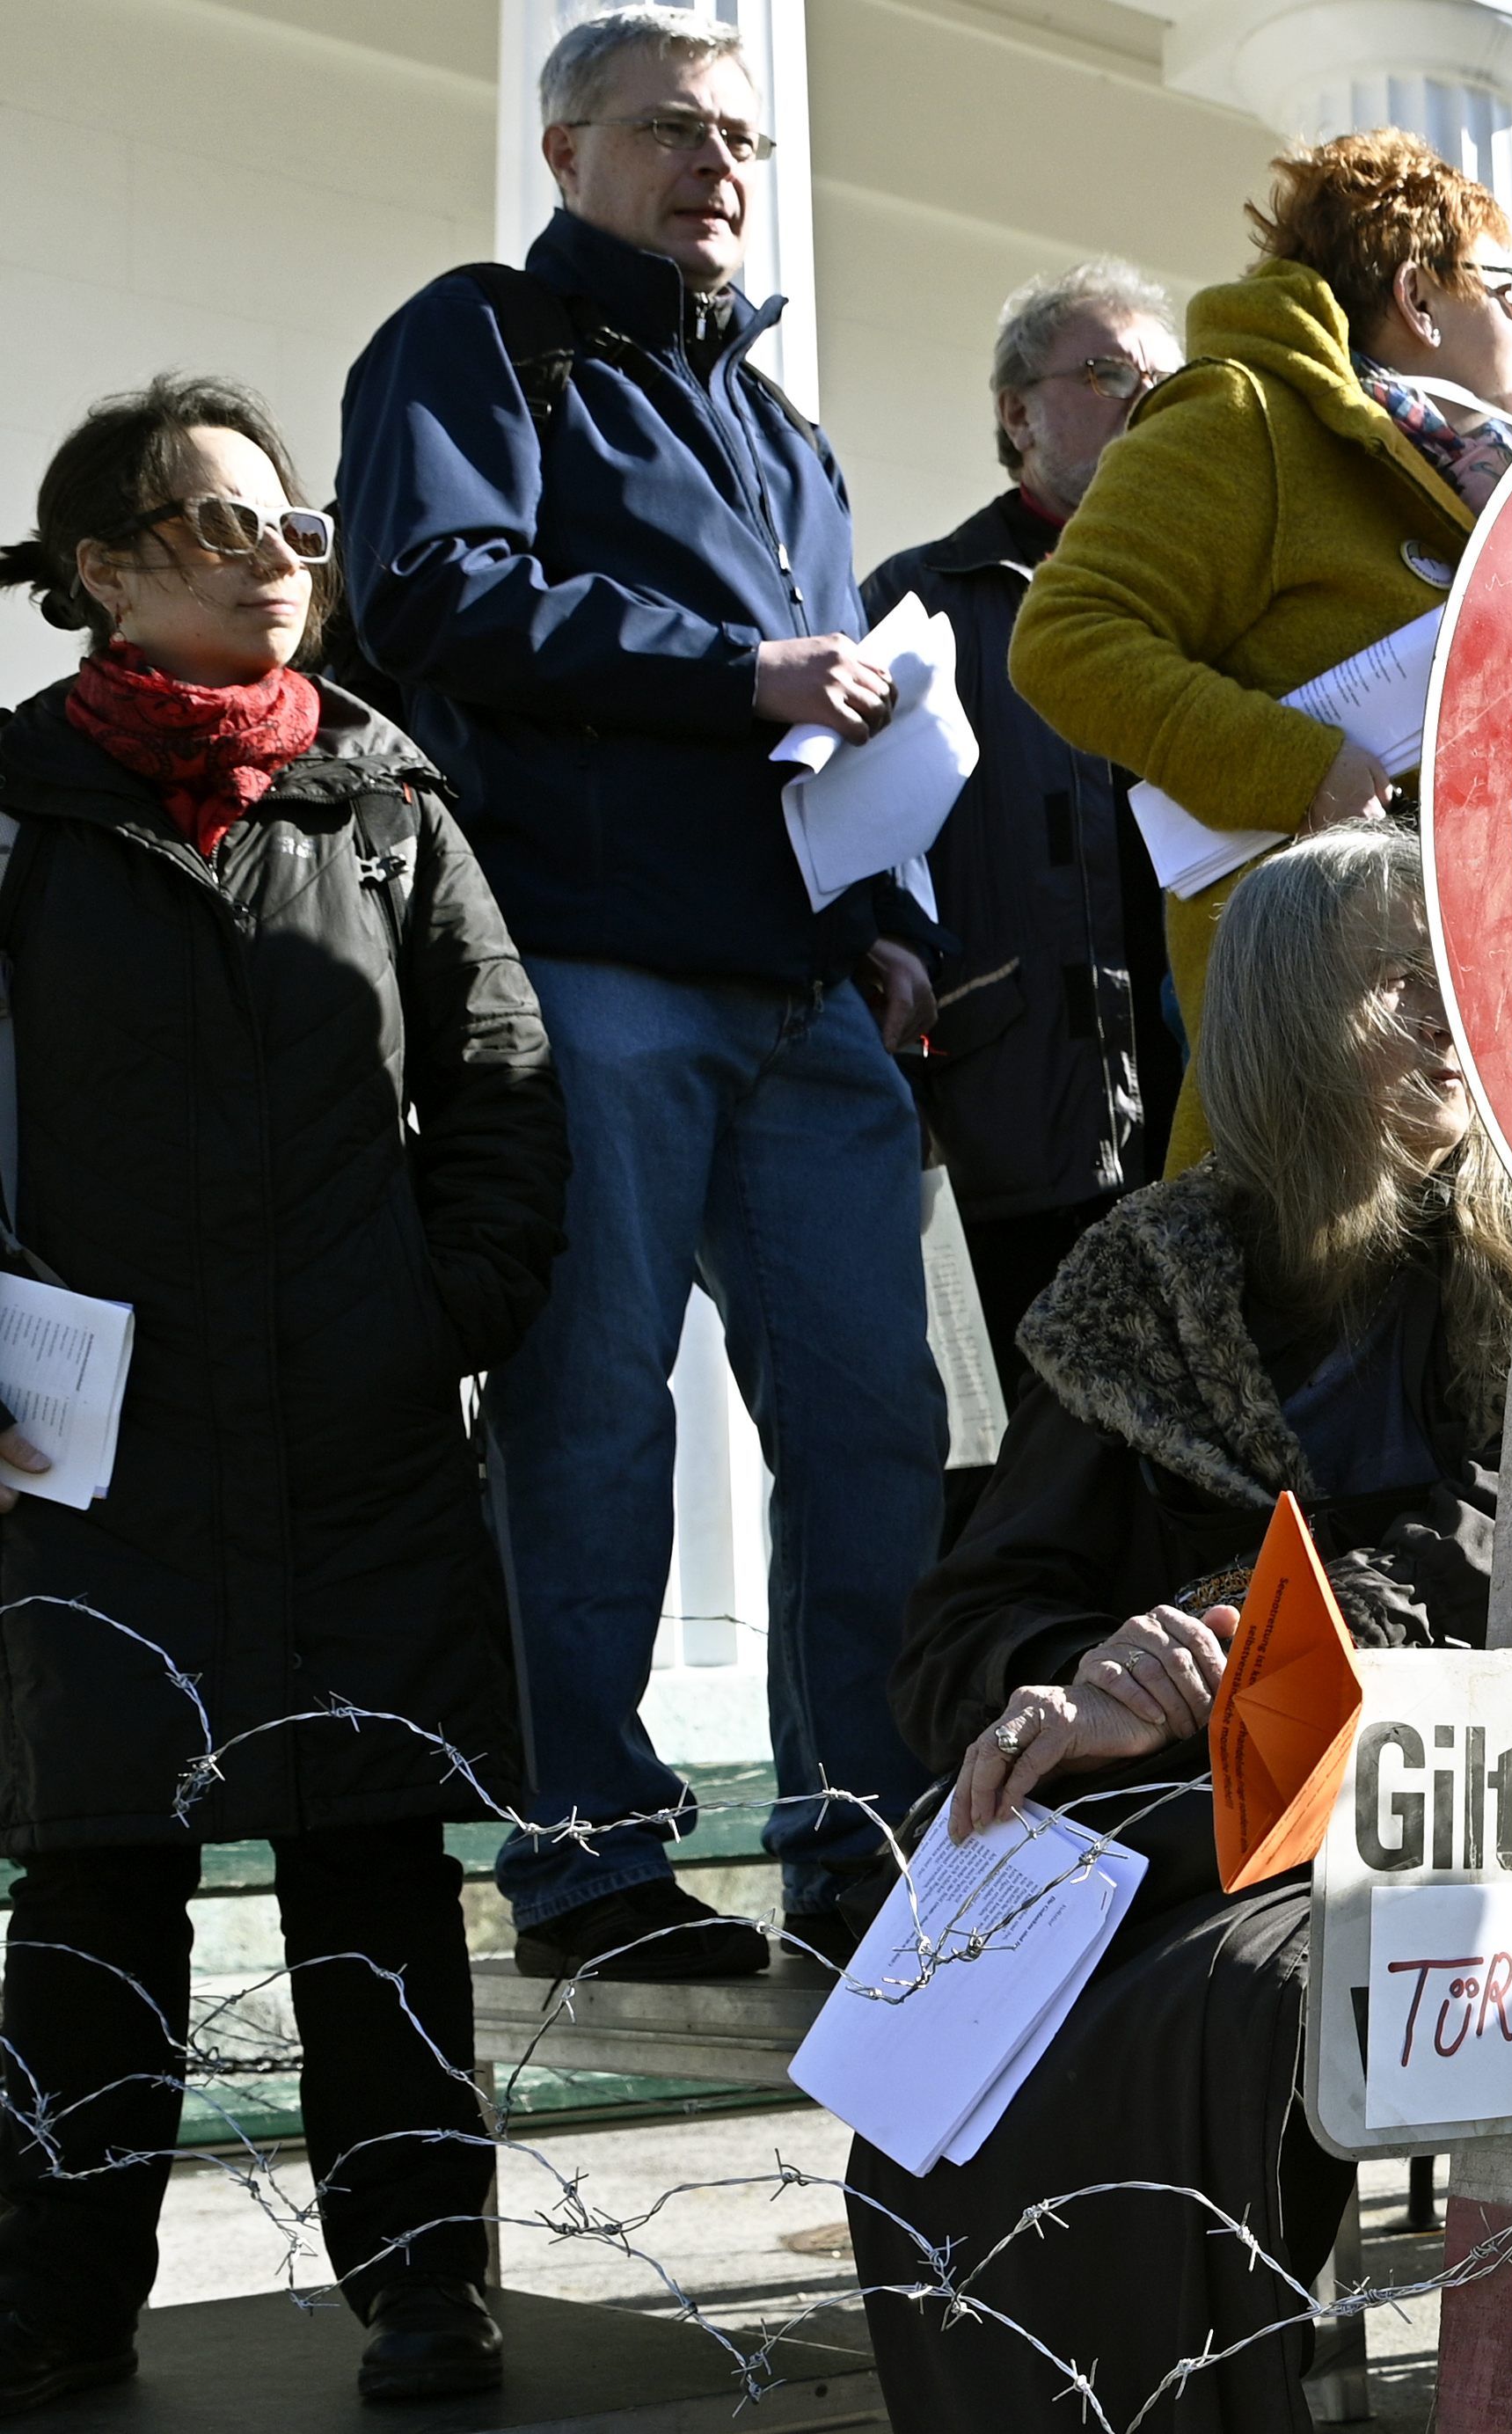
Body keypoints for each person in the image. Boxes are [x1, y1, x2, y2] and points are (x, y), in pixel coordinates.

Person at [338, 4, 950, 1977]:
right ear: (564, 155)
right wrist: (730, 673)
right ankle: (587, 1861)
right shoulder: (477, 339)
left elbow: (844, 693)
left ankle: (858, 1840)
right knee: (588, 1416)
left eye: (742, 140)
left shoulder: (783, 428)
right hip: (591, 959)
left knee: (871, 1424)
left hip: (802, 985)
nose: (718, 168)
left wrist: (893, 907)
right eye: (673, 131)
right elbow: (434, 588)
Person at [0, 379, 566, 2408]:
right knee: (93, 1884)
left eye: (292, 525)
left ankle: (432, 2291)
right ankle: (52, 2309)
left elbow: (501, 1079)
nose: (281, 556)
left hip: (360, 1431)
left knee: (373, 1872)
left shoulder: (384, 796)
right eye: (223, 523)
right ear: (100, 570)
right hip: (88, 1456)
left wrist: (441, 1312)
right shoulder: (12, 810)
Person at [844, 825, 1507, 2432]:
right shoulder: (1145, 1283)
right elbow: (964, 1623)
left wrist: (1230, 1639)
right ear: (1284, 1019)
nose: (1452, 1025)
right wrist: (1084, 1672)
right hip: (1183, 1827)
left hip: (1459, 1808)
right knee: (948, 2096)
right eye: (1402, 987)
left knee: (1231, 2008)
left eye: (1462, 985)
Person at [1010, 128, 1512, 1174]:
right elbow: (1065, 639)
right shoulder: (1243, 416)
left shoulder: (1478, 473)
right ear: (1418, 297)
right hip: (1327, 1037)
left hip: (1496, 1040)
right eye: (1507, 290)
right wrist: (1295, 769)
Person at [860, 261, 1188, 1419]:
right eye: (1107, 373)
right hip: (1011, 1137)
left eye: (1162, 379)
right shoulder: (920, 603)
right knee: (1019, 1487)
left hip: (1201, 1130)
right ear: (1016, 409)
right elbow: (862, 867)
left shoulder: (1206, 600)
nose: (1142, 399)